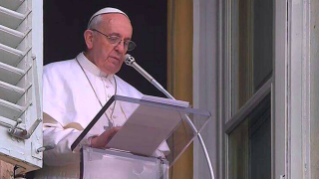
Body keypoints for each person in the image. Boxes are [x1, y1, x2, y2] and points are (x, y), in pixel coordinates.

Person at [34, 7, 162, 178]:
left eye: (126, 42)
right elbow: (39, 143)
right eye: (114, 38)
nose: (121, 49)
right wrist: (92, 143)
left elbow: (157, 162)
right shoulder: (53, 75)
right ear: (90, 38)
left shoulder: (136, 97)